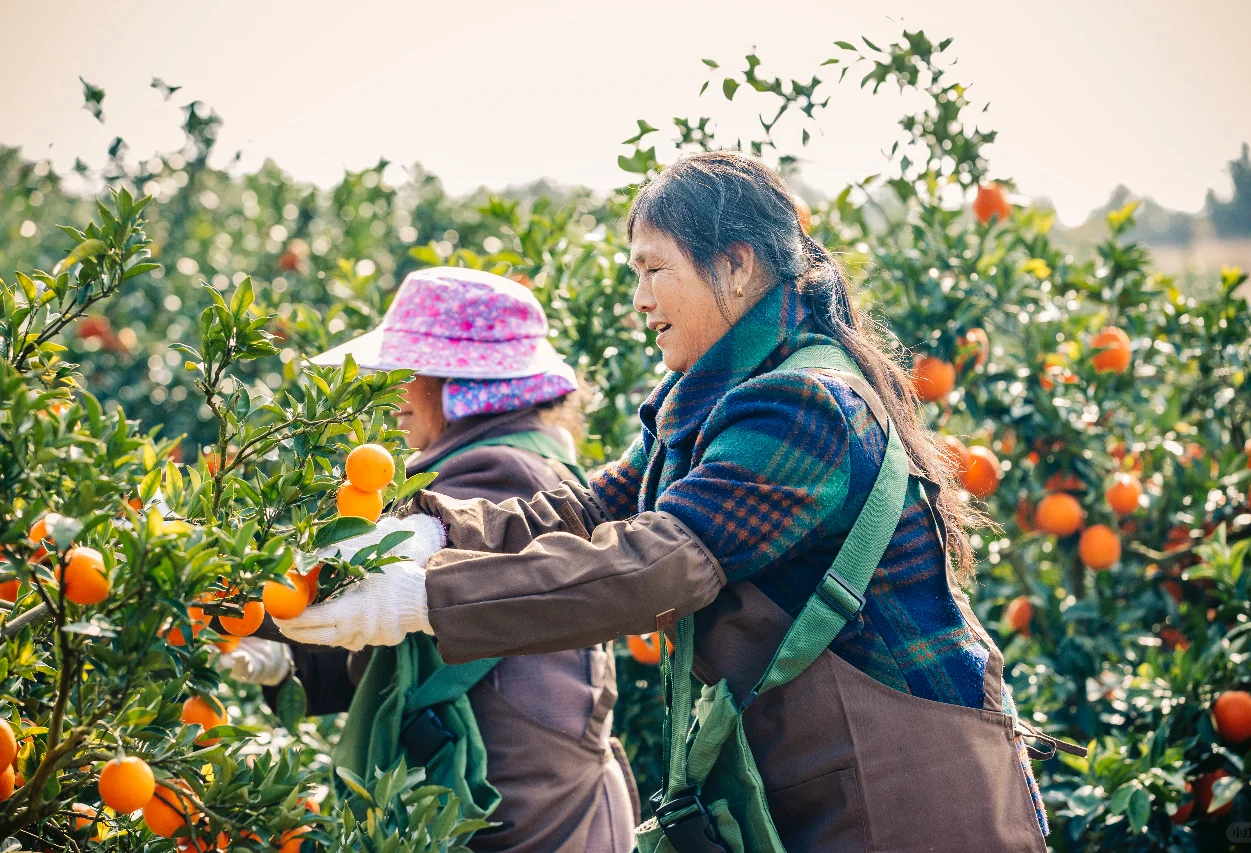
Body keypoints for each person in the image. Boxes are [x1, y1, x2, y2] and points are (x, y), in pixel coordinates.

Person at [277, 153, 1072, 852]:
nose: (639, 297)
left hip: (906, 801)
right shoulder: (705, 399)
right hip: (819, 783)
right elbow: (590, 510)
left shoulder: (806, 405)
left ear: (734, 266)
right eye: (633, 272)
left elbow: (662, 563)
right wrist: (429, 532)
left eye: (655, 269)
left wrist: (424, 597)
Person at [226, 267, 638, 853]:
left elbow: (413, 606)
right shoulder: (519, 461)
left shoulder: (499, 473)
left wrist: (251, 604)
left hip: (513, 802)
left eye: (409, 371)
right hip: (543, 791)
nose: (394, 392)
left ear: (461, 383)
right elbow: (406, 636)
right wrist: (283, 656)